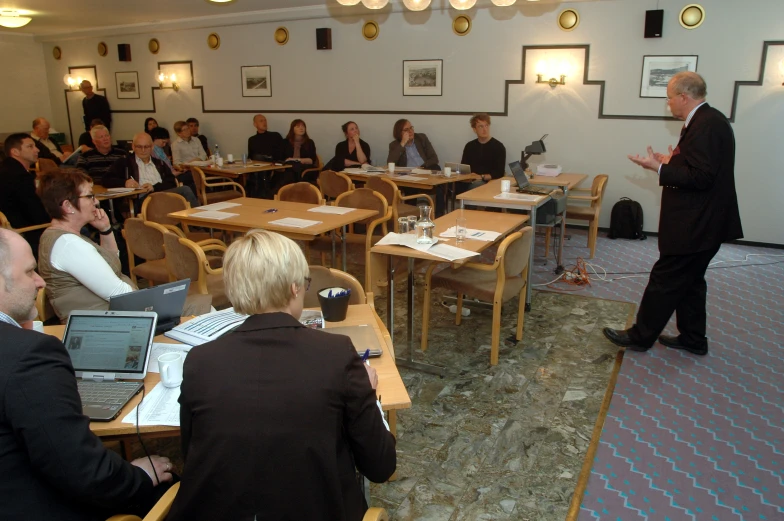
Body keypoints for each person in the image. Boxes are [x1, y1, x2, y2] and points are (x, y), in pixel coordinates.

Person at [167, 230, 396, 521]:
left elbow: (193, 454)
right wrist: (370, 395)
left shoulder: (200, 361)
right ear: (294, 288)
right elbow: (381, 466)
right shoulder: (336, 353)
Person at [0, 228, 174, 521]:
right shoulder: (28, 355)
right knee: (171, 482)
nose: (40, 282)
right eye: (30, 271)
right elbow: (84, 473)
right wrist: (139, 474)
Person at [604, 71, 743, 356]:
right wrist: (672, 161)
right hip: (703, 222)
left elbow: (702, 178)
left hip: (697, 224)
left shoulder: (707, 125)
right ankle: (693, 338)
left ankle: (640, 336)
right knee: (690, 282)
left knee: (665, 279)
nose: (668, 104)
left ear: (683, 96)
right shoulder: (707, 120)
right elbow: (701, 167)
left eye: (669, 98)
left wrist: (660, 168)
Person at [36, 169, 136, 323]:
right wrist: (154, 307)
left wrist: (105, 230)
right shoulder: (69, 244)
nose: (96, 202)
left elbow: (111, 265)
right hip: (103, 327)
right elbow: (119, 294)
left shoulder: (68, 237)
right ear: (68, 206)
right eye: (90, 196)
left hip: (109, 320)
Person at [105, 132, 199, 208]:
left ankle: (194, 224)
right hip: (143, 200)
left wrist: (154, 187)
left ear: (152, 147)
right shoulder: (124, 162)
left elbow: (171, 182)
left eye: (146, 147)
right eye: (139, 147)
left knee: (183, 191)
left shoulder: (160, 163)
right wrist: (125, 182)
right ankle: (199, 224)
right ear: (133, 147)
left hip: (162, 194)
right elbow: (106, 179)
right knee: (185, 191)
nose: (143, 150)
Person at [0, 134, 49, 256]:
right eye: (30, 146)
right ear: (15, 152)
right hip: (25, 233)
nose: (37, 149)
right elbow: (37, 214)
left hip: (8, 232)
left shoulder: (6, 170)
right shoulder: (19, 177)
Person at [460, 113, 507, 188]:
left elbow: (499, 172)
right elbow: (464, 168)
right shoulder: (469, 146)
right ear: (474, 129)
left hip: (487, 181)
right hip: (470, 179)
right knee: (443, 186)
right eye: (481, 126)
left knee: (475, 186)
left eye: (486, 125)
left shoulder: (498, 147)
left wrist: (481, 177)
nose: (485, 129)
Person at [282, 118, 318, 183]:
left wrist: (297, 160)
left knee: (293, 170)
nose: (301, 128)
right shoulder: (285, 142)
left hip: (305, 168)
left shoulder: (309, 142)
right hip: (289, 167)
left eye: (303, 126)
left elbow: (312, 160)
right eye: (298, 126)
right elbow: (283, 158)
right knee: (289, 171)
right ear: (292, 129)